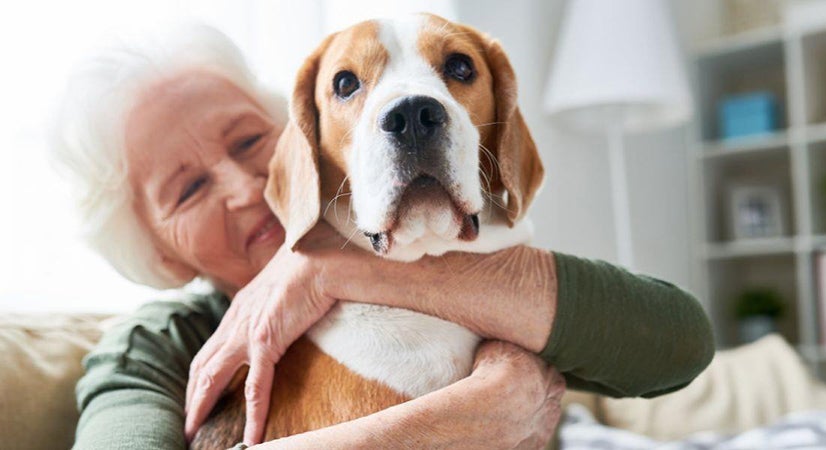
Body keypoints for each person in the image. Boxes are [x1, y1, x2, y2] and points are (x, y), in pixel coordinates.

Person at [53, 23, 714, 449]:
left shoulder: (443, 246)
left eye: (251, 141)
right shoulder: (152, 350)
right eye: (189, 189)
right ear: (160, 252)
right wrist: (475, 413)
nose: (245, 188)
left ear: (305, 143)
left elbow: (682, 343)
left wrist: (331, 270)